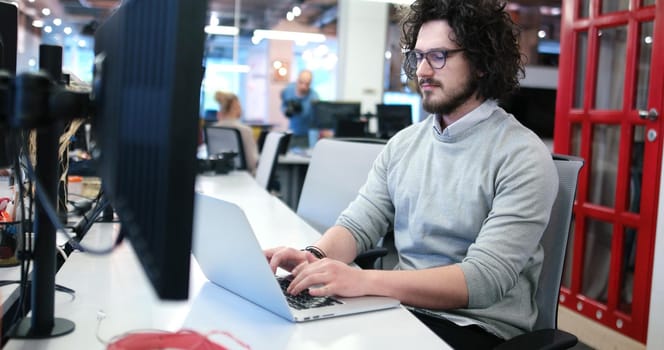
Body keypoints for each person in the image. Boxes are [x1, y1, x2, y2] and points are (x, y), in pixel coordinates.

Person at [265, 0, 558, 349]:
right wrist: (315, 256)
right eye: (417, 57)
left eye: (438, 56)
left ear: (481, 62)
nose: (421, 71)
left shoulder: (522, 156)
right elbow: (360, 224)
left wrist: (364, 281)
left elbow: (482, 281)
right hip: (399, 309)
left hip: (475, 327)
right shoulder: (404, 144)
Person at [213, 91, 259, 175]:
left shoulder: (213, 129)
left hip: (219, 176)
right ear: (236, 106)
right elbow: (251, 163)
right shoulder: (245, 130)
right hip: (243, 179)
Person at [280, 70, 319, 149]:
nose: (303, 86)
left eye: (307, 84)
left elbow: (314, 124)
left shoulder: (314, 98)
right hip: (291, 134)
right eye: (301, 82)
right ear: (297, 80)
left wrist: (313, 147)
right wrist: (286, 111)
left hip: (306, 137)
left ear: (310, 83)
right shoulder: (288, 90)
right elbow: (283, 105)